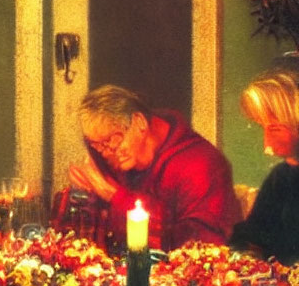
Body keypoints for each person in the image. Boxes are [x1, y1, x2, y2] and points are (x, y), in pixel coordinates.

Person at [69, 84, 241, 252]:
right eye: (98, 146)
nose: (107, 154)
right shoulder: (113, 155)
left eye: (113, 140)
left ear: (139, 123)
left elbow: (197, 246)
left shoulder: (201, 165)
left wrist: (113, 195)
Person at [229, 68, 299, 265]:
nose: (267, 142)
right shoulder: (281, 176)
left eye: (275, 128)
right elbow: (253, 233)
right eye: (263, 127)